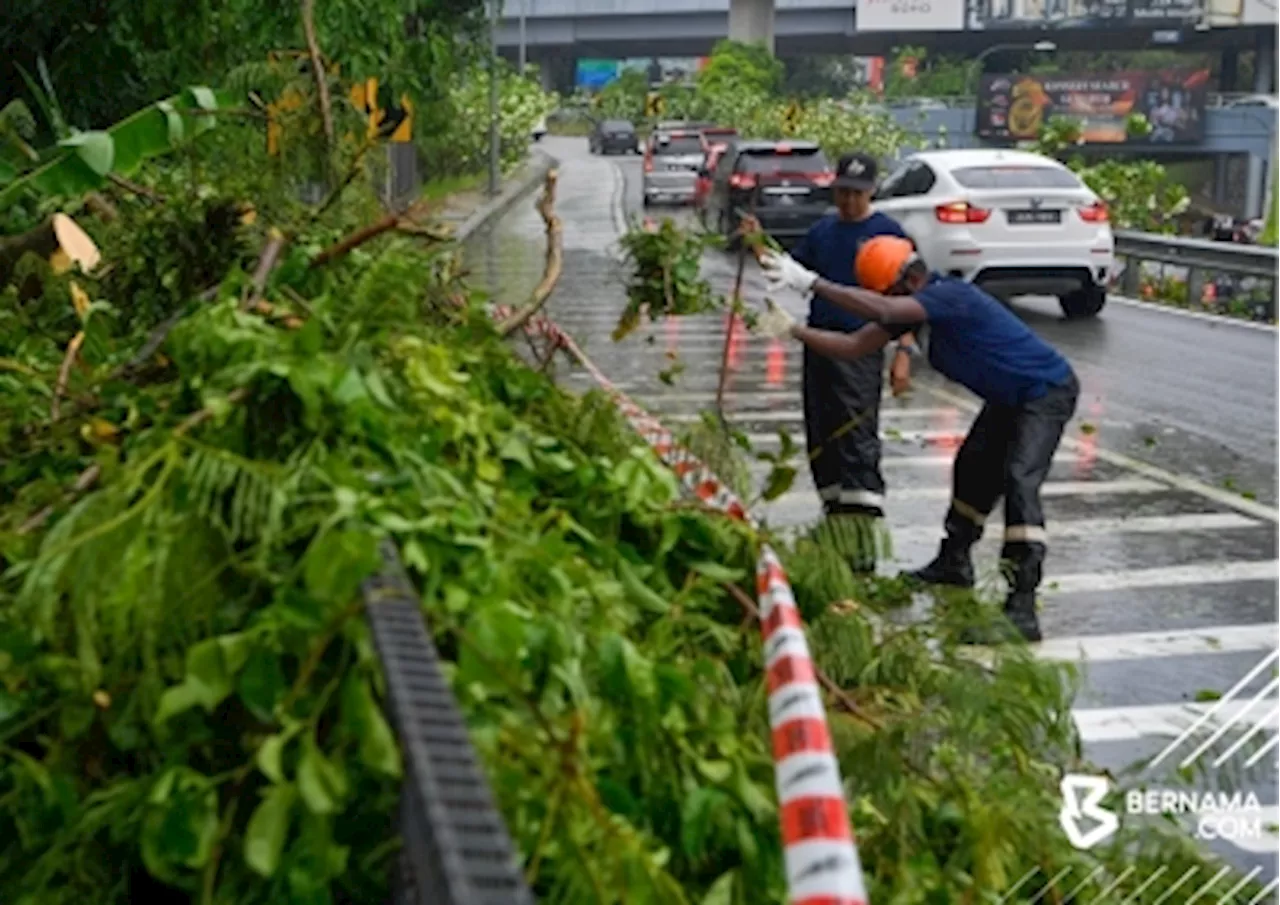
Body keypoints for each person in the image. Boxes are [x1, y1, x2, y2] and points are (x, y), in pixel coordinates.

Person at [752, 236, 1080, 643]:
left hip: (1045, 392)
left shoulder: (950, 295)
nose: (885, 301)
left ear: (905, 281)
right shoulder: (911, 311)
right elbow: (853, 346)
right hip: (1007, 398)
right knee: (972, 470)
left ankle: (1022, 606)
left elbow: (886, 310)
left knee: (1019, 480)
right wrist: (794, 331)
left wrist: (811, 283)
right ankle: (954, 561)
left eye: (885, 291)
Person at [741, 152, 917, 573]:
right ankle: (835, 525)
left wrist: (903, 354)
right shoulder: (824, 230)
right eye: (841, 192)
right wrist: (758, 243)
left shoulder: (887, 235)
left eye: (856, 193)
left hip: (861, 350)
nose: (847, 201)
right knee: (822, 436)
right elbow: (790, 270)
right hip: (820, 347)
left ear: (871, 191)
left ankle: (861, 544)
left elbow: (908, 304)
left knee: (855, 438)